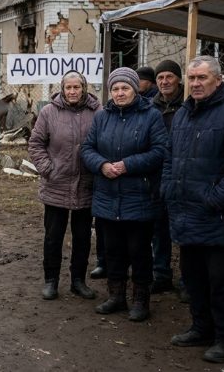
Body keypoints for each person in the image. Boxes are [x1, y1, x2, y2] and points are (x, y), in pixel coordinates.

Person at [163, 55, 224, 364]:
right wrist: (167, 188)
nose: (195, 83)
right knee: (193, 278)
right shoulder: (183, 113)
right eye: (191, 78)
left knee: (223, 282)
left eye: (201, 78)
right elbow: (170, 156)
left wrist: (214, 198)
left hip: (220, 217)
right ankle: (201, 328)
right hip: (185, 212)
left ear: (218, 81)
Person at [80, 67, 167, 322]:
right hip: (107, 197)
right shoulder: (102, 116)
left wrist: (128, 164)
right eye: (115, 89)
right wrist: (101, 165)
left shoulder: (151, 115)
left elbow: (161, 151)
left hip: (138, 196)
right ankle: (116, 296)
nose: (120, 93)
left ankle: (141, 300)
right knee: (113, 251)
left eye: (125, 88)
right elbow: (87, 148)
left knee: (139, 252)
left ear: (135, 89)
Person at [29, 71, 101, 300]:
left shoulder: (97, 112)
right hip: (56, 184)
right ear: (62, 88)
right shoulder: (49, 112)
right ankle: (51, 281)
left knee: (82, 237)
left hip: (86, 184)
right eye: (68, 87)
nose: (72, 92)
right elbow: (36, 143)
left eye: (76, 87)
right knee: (53, 236)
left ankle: (78, 281)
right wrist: (48, 169)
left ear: (84, 88)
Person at [150, 59, 185, 296]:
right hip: (156, 176)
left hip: (182, 177)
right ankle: (161, 274)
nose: (164, 81)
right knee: (158, 229)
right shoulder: (151, 107)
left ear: (178, 79)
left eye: (169, 77)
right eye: (160, 78)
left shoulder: (189, 106)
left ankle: (187, 282)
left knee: (183, 230)